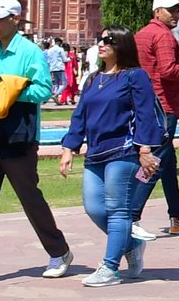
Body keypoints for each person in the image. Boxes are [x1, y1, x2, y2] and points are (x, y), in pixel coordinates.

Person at [0, 0, 72, 284]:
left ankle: (59, 251)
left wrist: (14, 90)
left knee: (29, 198)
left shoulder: (30, 52)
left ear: (15, 19)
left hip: (19, 136)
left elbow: (44, 90)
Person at [54, 29, 164, 286]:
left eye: (109, 41)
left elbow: (146, 113)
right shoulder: (93, 79)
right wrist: (69, 148)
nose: (102, 44)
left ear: (122, 45)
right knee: (94, 207)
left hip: (123, 152)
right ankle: (132, 245)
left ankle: (110, 268)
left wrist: (145, 149)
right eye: (100, 40)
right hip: (95, 153)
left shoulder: (134, 76)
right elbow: (80, 115)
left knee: (118, 210)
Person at [132, 0, 179, 238]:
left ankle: (178, 216)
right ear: (157, 11)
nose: (176, 15)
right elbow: (168, 72)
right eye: (171, 10)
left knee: (168, 162)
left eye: (178, 10)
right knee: (155, 161)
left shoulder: (141, 35)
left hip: (145, 102)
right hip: (164, 105)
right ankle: (132, 215)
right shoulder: (164, 36)